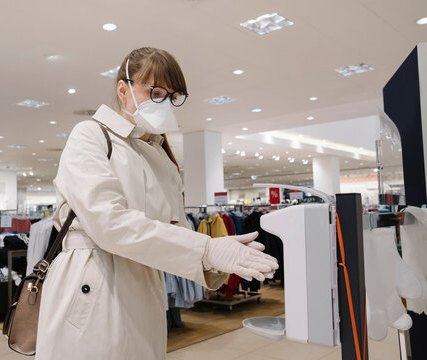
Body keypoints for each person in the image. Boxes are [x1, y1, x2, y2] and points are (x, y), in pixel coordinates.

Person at [35, 47, 279, 360]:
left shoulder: (164, 158)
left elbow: (170, 236)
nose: (165, 102)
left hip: (146, 288)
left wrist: (214, 255)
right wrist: (205, 249)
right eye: (156, 91)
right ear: (123, 89)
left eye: (173, 95)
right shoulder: (91, 135)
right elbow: (108, 223)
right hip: (90, 285)